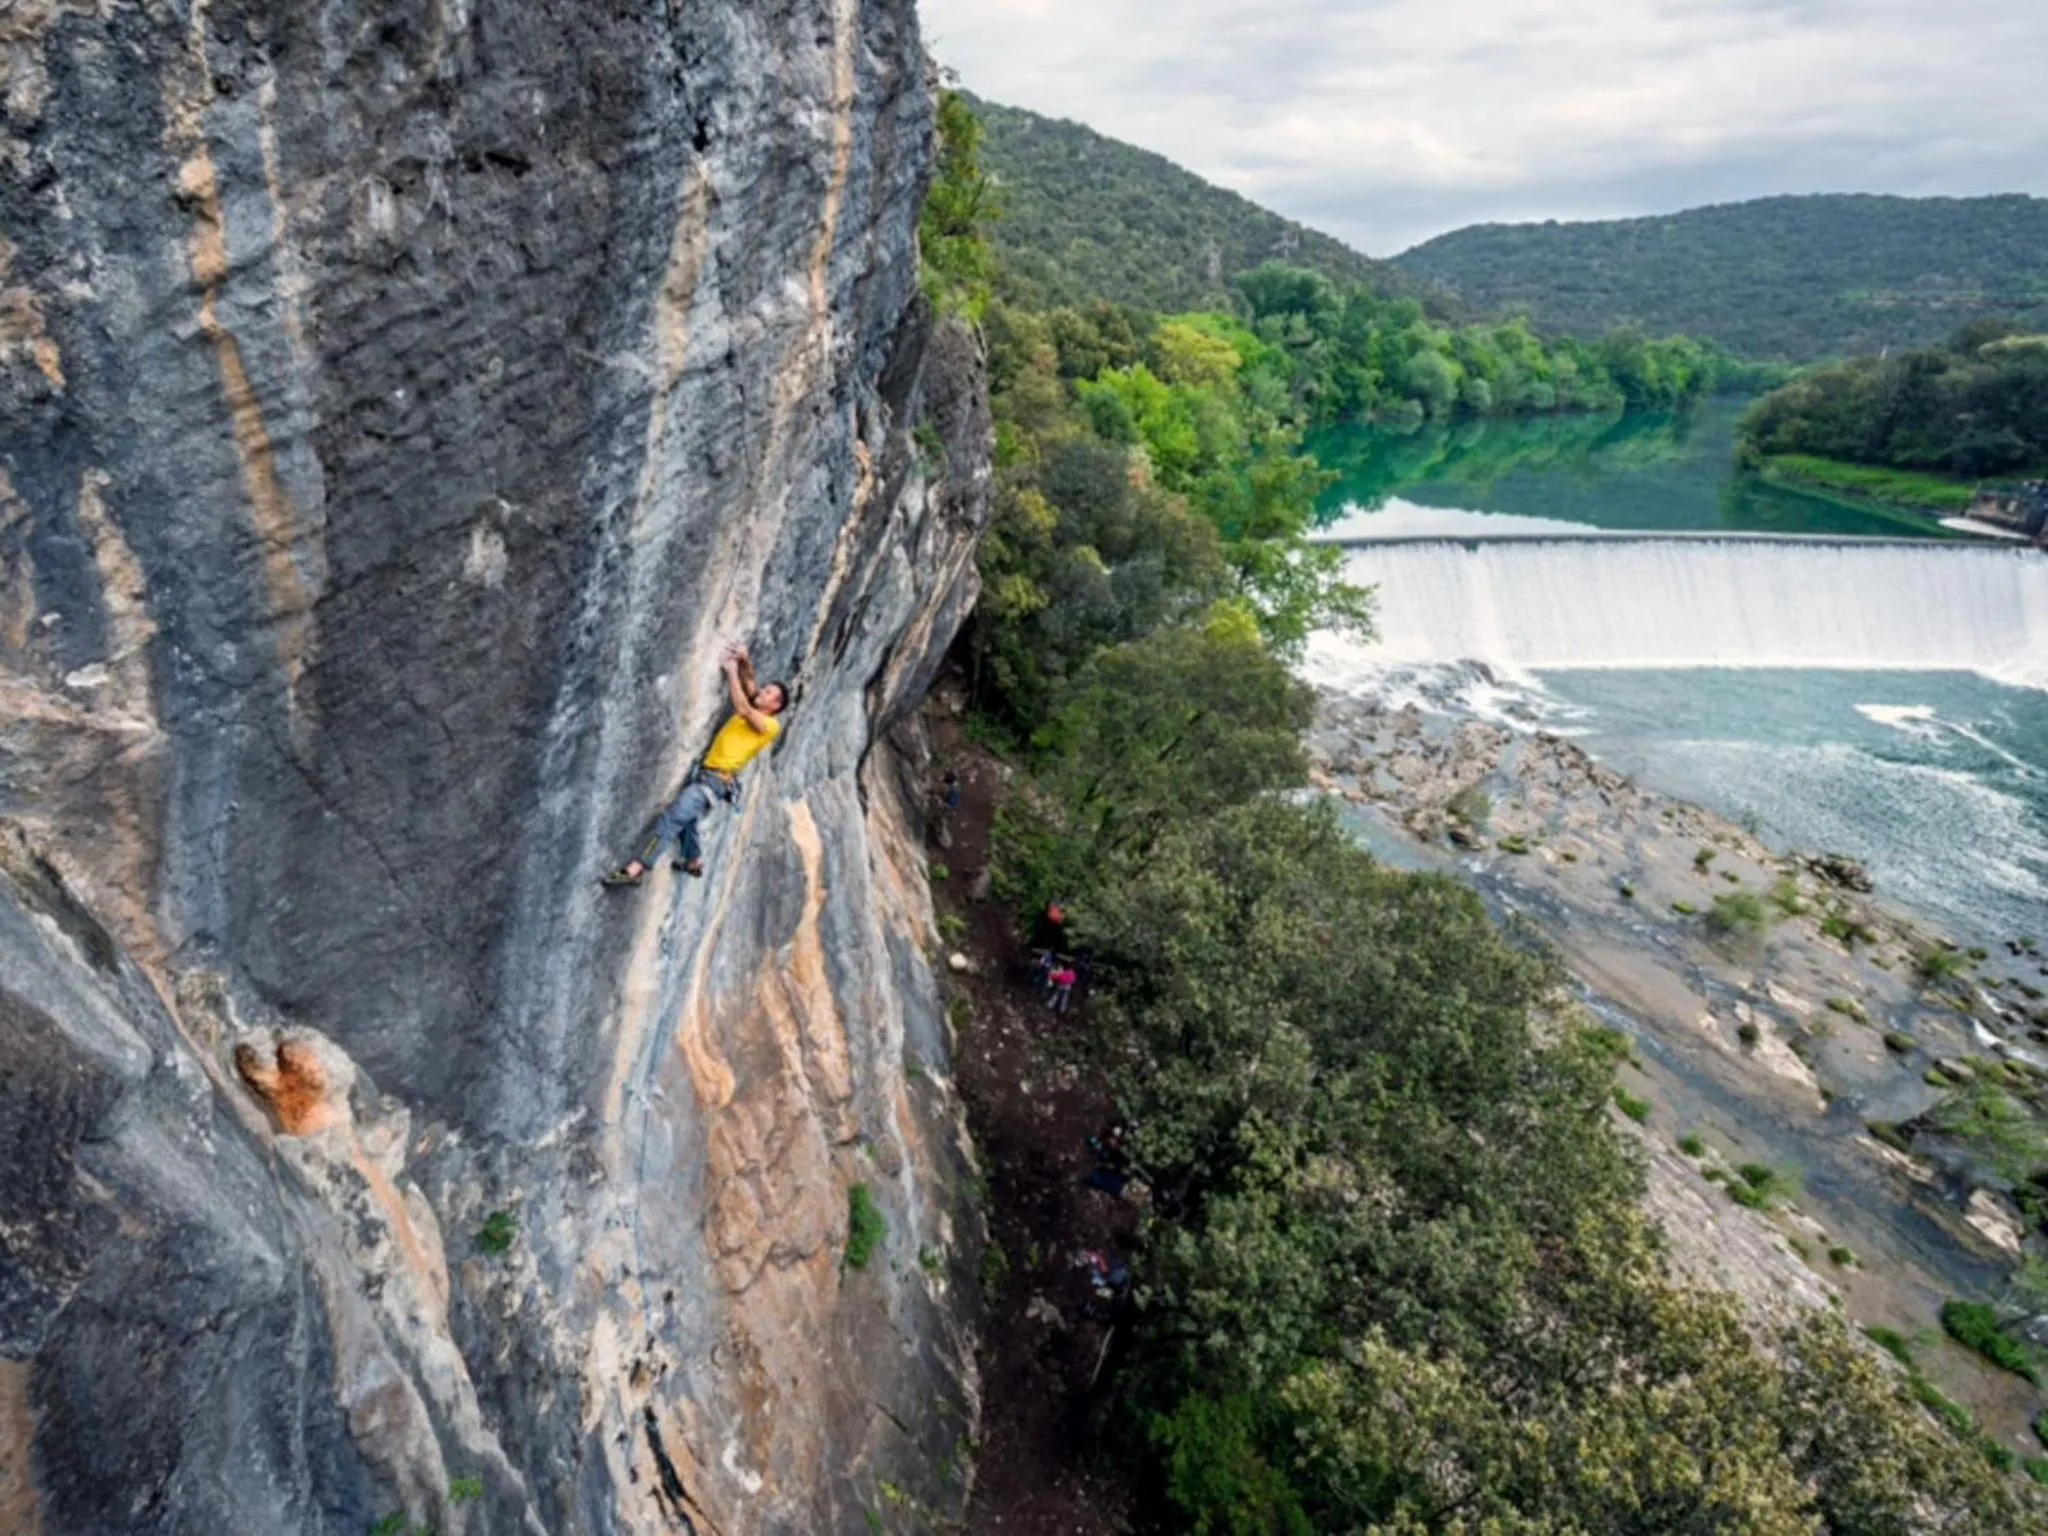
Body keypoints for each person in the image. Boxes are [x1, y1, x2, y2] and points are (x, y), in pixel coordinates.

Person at [603, 646, 787, 887]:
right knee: (687, 819)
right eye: (765, 689)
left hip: (714, 781)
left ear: (776, 704)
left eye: (768, 692)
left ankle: (637, 868)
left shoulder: (770, 726)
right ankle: (693, 861)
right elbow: (750, 681)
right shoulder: (758, 707)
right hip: (707, 777)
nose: (762, 692)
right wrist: (744, 660)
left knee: (673, 818)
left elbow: (742, 707)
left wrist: (731, 672)